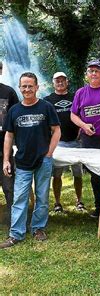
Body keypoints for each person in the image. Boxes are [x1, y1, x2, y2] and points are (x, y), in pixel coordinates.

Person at [0, 72, 60, 249]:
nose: (27, 89)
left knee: (42, 197)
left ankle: (38, 228)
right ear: (20, 88)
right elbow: (9, 136)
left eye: (30, 86)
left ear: (36, 87)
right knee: (19, 198)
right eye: (24, 86)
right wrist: (6, 160)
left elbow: (56, 130)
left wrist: (49, 153)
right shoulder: (14, 110)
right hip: (23, 162)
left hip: (43, 161)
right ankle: (16, 234)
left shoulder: (46, 107)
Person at [70, 60, 100, 218]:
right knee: (95, 174)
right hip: (89, 140)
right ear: (87, 75)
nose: (93, 74)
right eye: (91, 71)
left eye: (97, 71)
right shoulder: (80, 93)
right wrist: (84, 125)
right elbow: (73, 115)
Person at [44, 72, 84, 213]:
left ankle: (79, 201)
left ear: (67, 82)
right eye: (57, 80)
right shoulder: (47, 100)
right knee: (57, 174)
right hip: (58, 143)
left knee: (78, 174)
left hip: (76, 141)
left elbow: (82, 114)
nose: (60, 83)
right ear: (53, 83)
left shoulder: (75, 97)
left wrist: (82, 129)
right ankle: (57, 203)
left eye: (62, 80)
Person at [0, 61, 19, 226]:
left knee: (9, 187)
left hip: (4, 151)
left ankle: (14, 220)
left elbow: (17, 119)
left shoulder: (9, 92)